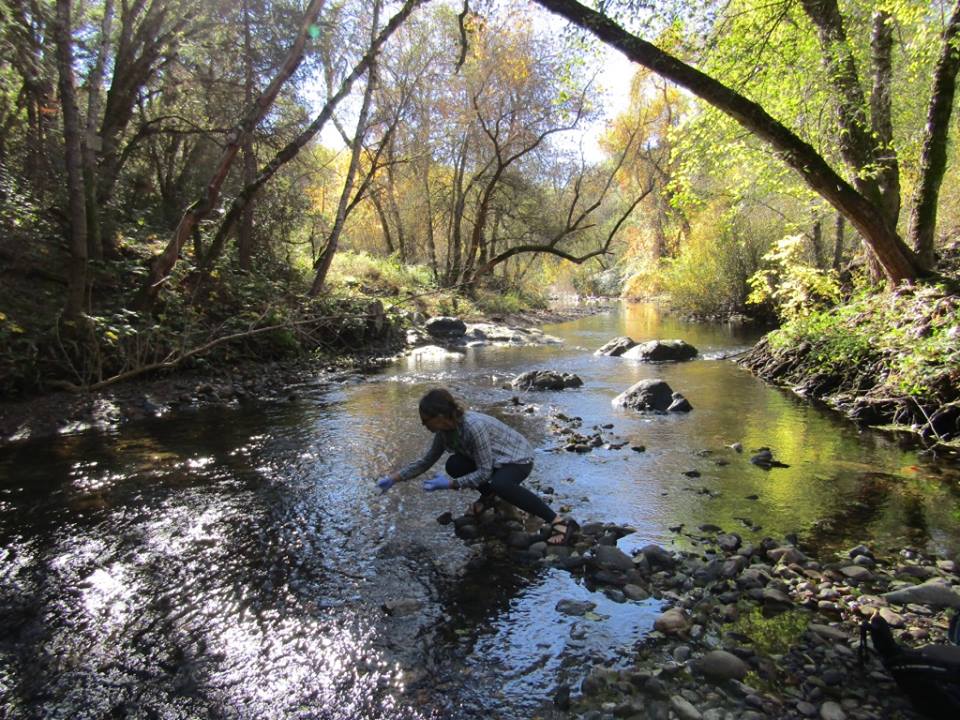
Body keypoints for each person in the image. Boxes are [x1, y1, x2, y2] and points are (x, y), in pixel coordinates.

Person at [376, 388, 577, 545]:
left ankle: (559, 522)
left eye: (425, 420)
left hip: (518, 459)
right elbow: (425, 461)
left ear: (440, 416)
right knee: (454, 464)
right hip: (494, 461)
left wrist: (451, 484)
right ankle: (490, 497)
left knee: (501, 484)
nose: (423, 425)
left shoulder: (473, 427)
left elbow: (483, 472)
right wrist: (394, 479)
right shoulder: (444, 433)